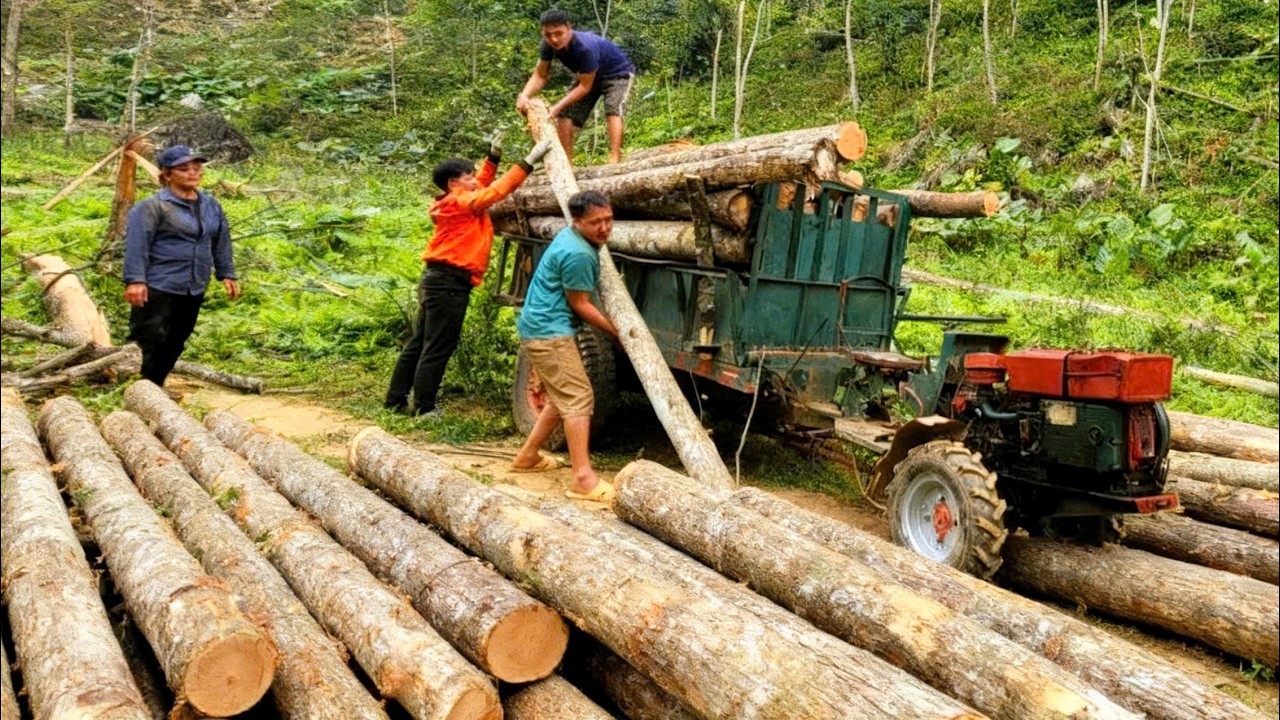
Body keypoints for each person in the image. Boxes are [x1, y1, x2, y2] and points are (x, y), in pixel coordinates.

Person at [384, 135, 554, 417]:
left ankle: (395, 401)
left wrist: (493, 158)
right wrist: (526, 164)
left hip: (438, 280)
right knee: (438, 346)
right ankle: (424, 408)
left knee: (419, 342)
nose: (476, 179)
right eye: (469, 176)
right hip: (449, 283)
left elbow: (483, 185)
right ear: (453, 183)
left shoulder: (454, 200)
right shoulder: (461, 203)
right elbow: (493, 192)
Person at [511, 190, 622, 502]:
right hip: (549, 332)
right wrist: (617, 332)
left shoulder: (575, 239)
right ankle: (583, 479)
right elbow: (581, 304)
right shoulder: (579, 254)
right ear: (577, 221)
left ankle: (528, 456)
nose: (604, 228)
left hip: (541, 327)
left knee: (562, 396)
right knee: (578, 397)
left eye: (608, 220)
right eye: (595, 223)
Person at [123, 145, 240, 388]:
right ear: (167, 174)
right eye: (184, 168)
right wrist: (135, 280)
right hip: (158, 284)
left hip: (193, 285)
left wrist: (226, 273)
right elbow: (137, 245)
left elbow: (220, 240)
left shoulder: (211, 205)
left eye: (196, 167)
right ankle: (138, 387)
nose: (192, 172)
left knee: (177, 339)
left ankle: (155, 385)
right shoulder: (152, 207)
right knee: (150, 337)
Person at [516, 9, 635, 164]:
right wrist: (525, 95)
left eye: (559, 33)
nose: (554, 39)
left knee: (613, 108)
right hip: (588, 76)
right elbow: (540, 75)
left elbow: (585, 87)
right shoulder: (547, 45)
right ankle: (566, 163)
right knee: (565, 114)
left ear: (569, 28)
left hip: (617, 73)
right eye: (548, 35)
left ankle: (614, 159)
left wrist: (556, 106)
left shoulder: (584, 47)